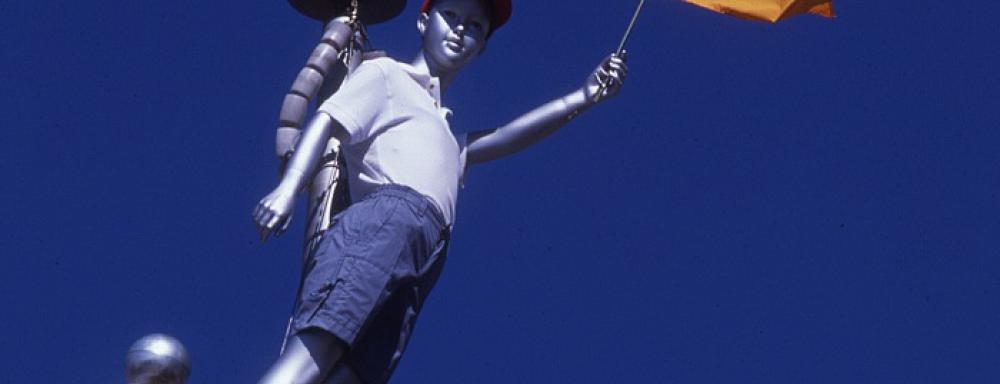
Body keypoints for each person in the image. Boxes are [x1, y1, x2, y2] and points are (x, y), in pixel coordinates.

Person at [252, 0, 627, 382]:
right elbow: (327, 120)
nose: (461, 29)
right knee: (321, 344)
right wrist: (288, 189)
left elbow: (507, 137)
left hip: (423, 259)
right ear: (422, 22)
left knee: (355, 374)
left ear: (481, 47)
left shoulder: (447, 134)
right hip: (382, 224)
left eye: (476, 27)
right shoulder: (386, 75)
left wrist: (583, 97)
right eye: (451, 16)